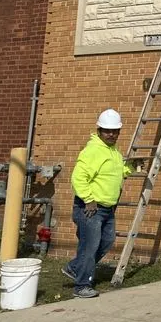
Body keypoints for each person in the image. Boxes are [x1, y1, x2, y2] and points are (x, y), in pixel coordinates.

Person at [62, 109, 138, 298]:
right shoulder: (93, 150)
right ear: (99, 130)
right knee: (90, 246)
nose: (111, 134)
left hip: (107, 208)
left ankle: (74, 267)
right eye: (107, 131)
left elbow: (116, 173)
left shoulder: (113, 151)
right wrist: (88, 200)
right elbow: (78, 177)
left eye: (115, 131)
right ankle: (81, 286)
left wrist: (131, 166)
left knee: (107, 241)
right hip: (91, 208)